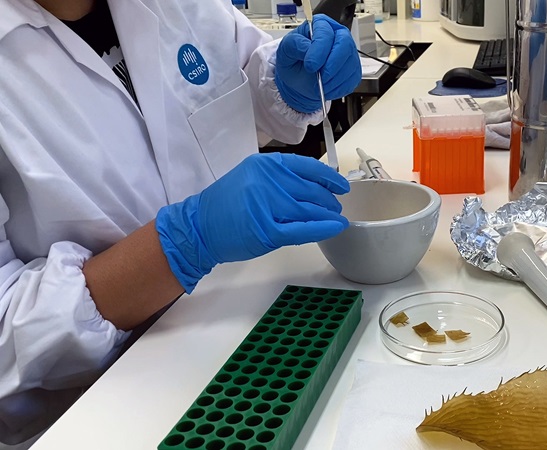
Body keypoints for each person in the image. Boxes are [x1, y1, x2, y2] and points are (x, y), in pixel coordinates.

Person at [0, 0, 362, 446]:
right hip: (103, 409)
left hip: (250, 331)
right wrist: (184, 240)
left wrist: (290, 85)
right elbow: (6, 335)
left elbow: (239, 83)